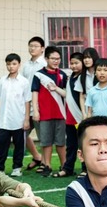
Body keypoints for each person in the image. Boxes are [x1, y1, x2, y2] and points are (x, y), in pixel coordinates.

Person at [31, 45, 68, 176]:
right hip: (45, 114)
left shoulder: (63, 75)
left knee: (61, 142)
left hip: (61, 114)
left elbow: (66, 94)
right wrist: (36, 111)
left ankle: (64, 166)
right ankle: (47, 165)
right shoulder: (38, 75)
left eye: (58, 59)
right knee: (46, 142)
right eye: (53, 58)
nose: (56, 61)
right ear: (46, 59)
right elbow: (34, 93)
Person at [0, 53, 31, 177]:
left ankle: (17, 168)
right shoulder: (2, 81)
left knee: (19, 145)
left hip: (18, 120)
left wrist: (26, 119)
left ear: (19, 64)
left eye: (14, 64)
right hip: (4, 121)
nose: (11, 66)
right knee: (1, 145)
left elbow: (27, 101)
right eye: (8, 64)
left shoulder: (24, 82)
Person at [22, 36, 48, 171]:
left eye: (36, 46)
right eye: (30, 46)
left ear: (42, 49)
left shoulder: (44, 64)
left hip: (39, 105)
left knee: (42, 135)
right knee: (21, 133)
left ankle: (44, 163)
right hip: (26, 105)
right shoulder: (26, 65)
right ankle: (37, 157)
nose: (32, 48)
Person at [58, 51, 84, 178]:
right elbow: (68, 95)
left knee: (83, 144)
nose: (73, 66)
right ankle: (68, 168)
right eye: (71, 63)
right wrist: (56, 89)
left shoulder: (84, 77)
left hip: (81, 117)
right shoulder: (70, 78)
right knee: (71, 145)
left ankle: (85, 169)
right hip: (70, 117)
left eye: (76, 63)